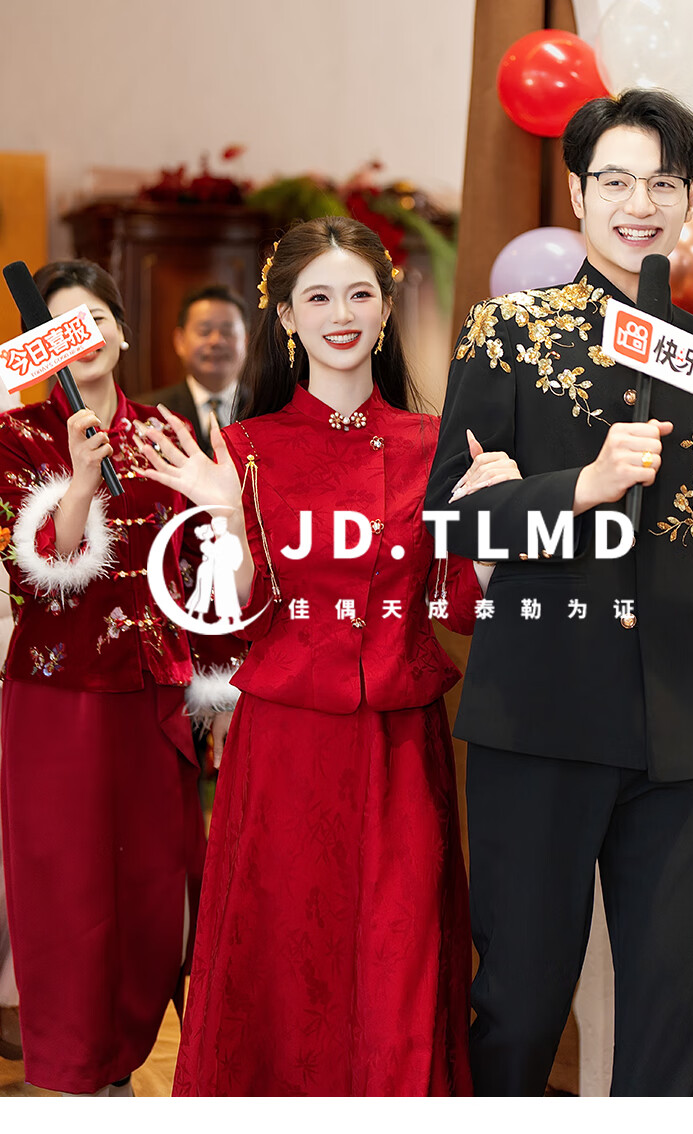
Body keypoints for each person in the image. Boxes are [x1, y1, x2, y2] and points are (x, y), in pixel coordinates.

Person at [425, 88, 693, 1097]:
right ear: (578, 193)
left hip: (677, 728)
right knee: (519, 1003)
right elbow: (452, 517)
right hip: (540, 712)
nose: (641, 204)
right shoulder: (510, 333)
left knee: (672, 1014)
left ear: (690, 201)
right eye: (617, 181)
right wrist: (578, 486)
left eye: (664, 184)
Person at [134, 216, 481, 1096]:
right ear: (286, 316)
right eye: (318, 297)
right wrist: (223, 513)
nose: (342, 314)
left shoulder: (434, 444)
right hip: (284, 751)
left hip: (401, 751)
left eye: (360, 294)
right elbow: (238, 617)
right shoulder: (245, 451)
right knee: (284, 962)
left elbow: (459, 609)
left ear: (386, 308)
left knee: (401, 959)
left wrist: (491, 526)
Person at [0, 260, 238, 1096]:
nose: (86, 335)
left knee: (152, 892)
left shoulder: (168, 433)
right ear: (42, 348)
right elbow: (37, 574)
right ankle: (76, 1072)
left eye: (97, 316)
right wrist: (75, 478)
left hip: (158, 692)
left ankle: (126, 1061)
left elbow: (204, 567)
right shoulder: (13, 437)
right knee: (66, 895)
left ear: (125, 333)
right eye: (62, 324)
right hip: (57, 699)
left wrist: (216, 683)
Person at [142, 283, 248, 454]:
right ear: (180, 341)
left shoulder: (268, 410)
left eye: (227, 332)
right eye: (204, 331)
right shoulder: (150, 413)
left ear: (245, 341)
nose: (216, 341)